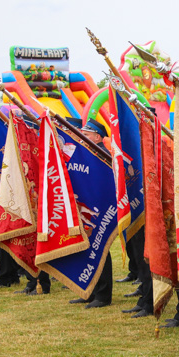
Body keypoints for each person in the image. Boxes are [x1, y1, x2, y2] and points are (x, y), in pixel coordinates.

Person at [68, 120, 114, 309]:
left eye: (86, 135)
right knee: (87, 249)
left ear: (97, 137)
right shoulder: (85, 152)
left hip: (100, 208)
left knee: (100, 248)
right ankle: (90, 291)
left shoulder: (103, 154)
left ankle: (102, 295)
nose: (82, 138)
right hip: (86, 206)